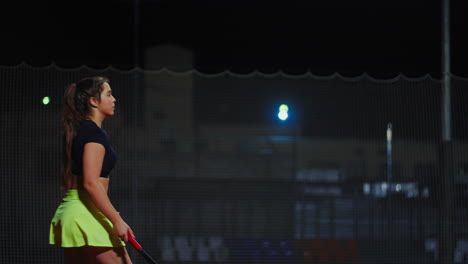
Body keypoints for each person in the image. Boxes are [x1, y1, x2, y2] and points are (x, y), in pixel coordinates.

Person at [49, 76, 133, 263]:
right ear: (93, 101)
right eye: (109, 94)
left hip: (76, 212)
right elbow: (90, 182)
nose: (114, 99)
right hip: (85, 214)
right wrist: (116, 220)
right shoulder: (94, 134)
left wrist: (109, 213)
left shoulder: (82, 131)